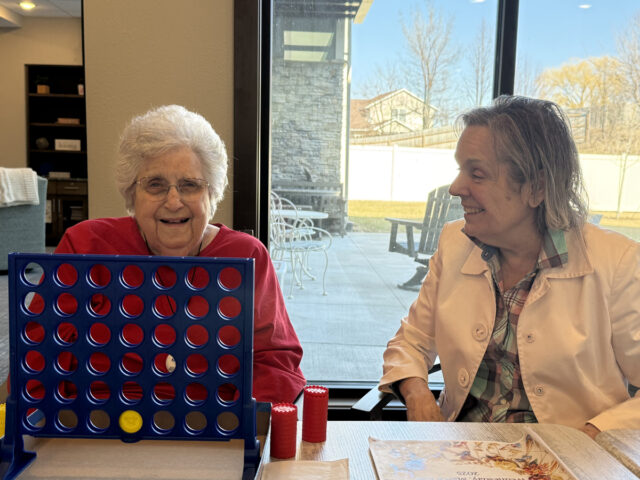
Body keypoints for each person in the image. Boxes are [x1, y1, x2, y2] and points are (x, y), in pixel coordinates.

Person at [379, 95, 640, 438]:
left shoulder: (616, 263)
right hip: (458, 456)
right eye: (460, 170)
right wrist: (418, 396)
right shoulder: (455, 243)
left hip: (560, 465)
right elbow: (410, 342)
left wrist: (592, 436)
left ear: (537, 187)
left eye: (477, 173)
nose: (456, 188)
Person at [33, 105, 306, 404]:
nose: (173, 202)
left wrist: (244, 426)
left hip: (215, 429)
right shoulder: (86, 246)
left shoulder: (247, 255)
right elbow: (37, 355)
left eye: (190, 185)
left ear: (211, 194)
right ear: (131, 195)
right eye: (155, 185)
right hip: (98, 426)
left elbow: (275, 363)